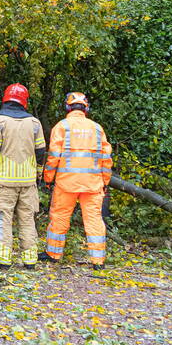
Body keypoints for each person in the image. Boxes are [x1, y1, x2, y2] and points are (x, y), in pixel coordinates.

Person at [43, 92, 114, 270]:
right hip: (93, 184)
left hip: (66, 183)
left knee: (59, 217)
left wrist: (48, 179)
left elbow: (53, 157)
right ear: (85, 108)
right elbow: (106, 159)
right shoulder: (97, 128)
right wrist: (105, 181)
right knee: (94, 220)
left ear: (68, 107)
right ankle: (98, 261)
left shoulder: (62, 126)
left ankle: (53, 254)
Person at [0, 84, 46, 269]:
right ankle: (30, 260)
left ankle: (2, 260)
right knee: (27, 219)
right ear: (24, 101)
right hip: (28, 181)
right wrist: (39, 173)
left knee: (3, 219)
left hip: (4, 181)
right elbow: (41, 151)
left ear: (6, 99)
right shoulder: (34, 123)